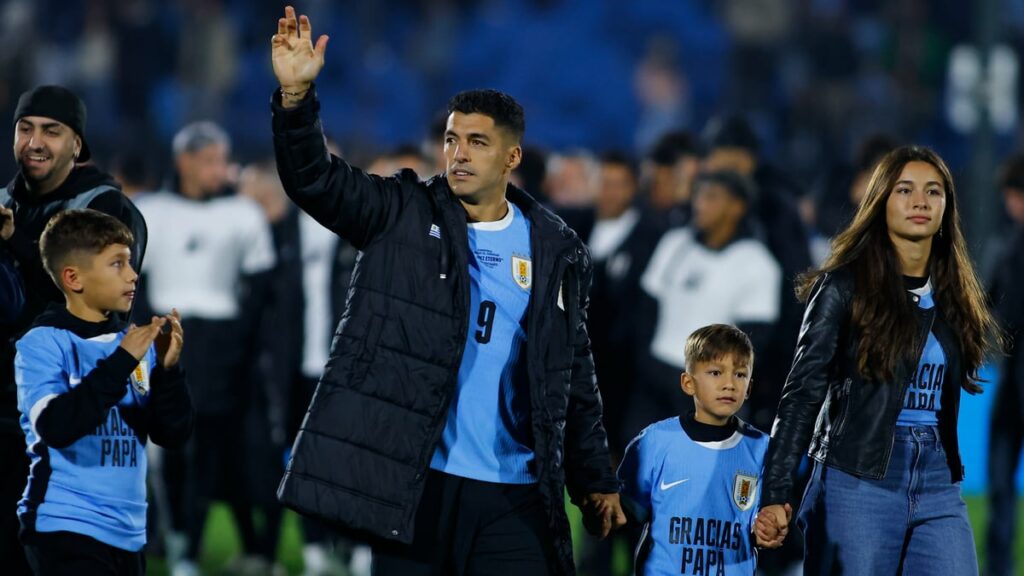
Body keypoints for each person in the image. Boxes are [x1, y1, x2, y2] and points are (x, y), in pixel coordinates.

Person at [270, 7, 624, 575]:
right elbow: (316, 180)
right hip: (418, 486)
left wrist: (594, 479)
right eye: (451, 139)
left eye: (477, 142)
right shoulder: (402, 213)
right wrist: (295, 101)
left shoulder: (556, 250)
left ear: (512, 158)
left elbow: (572, 371)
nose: (458, 153)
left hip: (515, 494)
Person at [759, 146, 1003, 574]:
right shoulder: (842, 286)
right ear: (879, 202)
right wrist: (777, 489)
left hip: (939, 480)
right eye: (904, 190)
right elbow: (802, 393)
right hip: (856, 476)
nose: (921, 202)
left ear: (948, 206)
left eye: (934, 191)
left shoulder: (954, 295)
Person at [0, 85, 148, 575]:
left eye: (52, 131)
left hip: (72, 424)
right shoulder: (5, 203)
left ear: (77, 146)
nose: (35, 141)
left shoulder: (106, 207)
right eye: (26, 128)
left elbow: (93, 306)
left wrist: (14, 243)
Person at [15, 209, 191, 575]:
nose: (132, 274)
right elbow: (56, 426)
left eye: (129, 262)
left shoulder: (132, 344)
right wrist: (121, 362)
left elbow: (171, 434)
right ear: (73, 278)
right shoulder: (43, 342)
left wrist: (169, 372)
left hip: (127, 533)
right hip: (63, 526)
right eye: (117, 264)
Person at [135, 120, 275, 576]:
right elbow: (136, 286)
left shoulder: (244, 214)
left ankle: (192, 548)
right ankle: (174, 538)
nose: (221, 170)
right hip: (166, 339)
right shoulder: (149, 210)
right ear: (185, 162)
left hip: (224, 345)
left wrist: (244, 348)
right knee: (169, 449)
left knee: (215, 447)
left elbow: (259, 288)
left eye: (223, 159)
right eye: (210, 160)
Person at [618, 323, 775, 575]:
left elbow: (768, 523)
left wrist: (769, 529)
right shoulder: (654, 442)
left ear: (749, 388)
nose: (729, 384)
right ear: (688, 383)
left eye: (740, 374)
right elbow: (626, 513)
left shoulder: (762, 449)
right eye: (715, 372)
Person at [984, 154, 1024, 576]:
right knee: (998, 479)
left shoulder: (1009, 245)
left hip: (1014, 373)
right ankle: (997, 566)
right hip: (1012, 375)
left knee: (1000, 477)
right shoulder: (1007, 243)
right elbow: (987, 304)